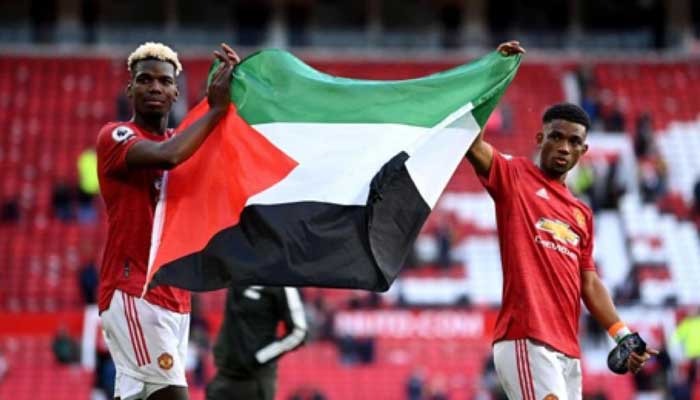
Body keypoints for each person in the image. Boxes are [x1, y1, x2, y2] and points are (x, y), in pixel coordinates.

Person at [464, 40, 658, 400]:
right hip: (526, 337)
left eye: (573, 141)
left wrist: (621, 333)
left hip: (568, 351)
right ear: (540, 139)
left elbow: (590, 282)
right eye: (556, 137)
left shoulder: (581, 213)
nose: (564, 147)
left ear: (584, 150)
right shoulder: (514, 176)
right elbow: (468, 140)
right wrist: (492, 75)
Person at [96, 41, 239, 400]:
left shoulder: (183, 140)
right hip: (134, 290)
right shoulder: (117, 136)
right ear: (130, 89)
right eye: (144, 80)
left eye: (163, 81)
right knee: (172, 394)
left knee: (141, 395)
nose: (154, 88)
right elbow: (169, 156)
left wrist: (236, 90)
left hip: (176, 296)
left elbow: (222, 155)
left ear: (176, 91)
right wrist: (215, 109)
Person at [207, 286, 307, 400]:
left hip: (255, 380)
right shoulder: (238, 272)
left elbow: (299, 332)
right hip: (224, 375)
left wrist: (260, 356)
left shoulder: (282, 282)